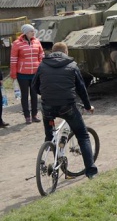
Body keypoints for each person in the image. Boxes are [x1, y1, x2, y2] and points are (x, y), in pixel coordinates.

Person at [32, 42, 98, 178]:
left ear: (52, 52)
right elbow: (81, 89)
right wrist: (87, 106)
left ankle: (51, 151)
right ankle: (91, 171)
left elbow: (34, 86)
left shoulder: (43, 65)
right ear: (66, 52)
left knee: (49, 134)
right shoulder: (72, 65)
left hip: (47, 106)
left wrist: (45, 94)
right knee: (83, 135)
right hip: (67, 106)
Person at [10, 24, 44, 124]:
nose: (33, 33)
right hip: (22, 74)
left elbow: (41, 55)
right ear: (25, 33)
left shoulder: (37, 42)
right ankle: (26, 116)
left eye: (33, 31)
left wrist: (41, 69)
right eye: (31, 31)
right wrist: (13, 74)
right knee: (24, 95)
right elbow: (13, 59)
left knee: (34, 94)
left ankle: (34, 115)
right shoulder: (16, 44)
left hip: (35, 73)